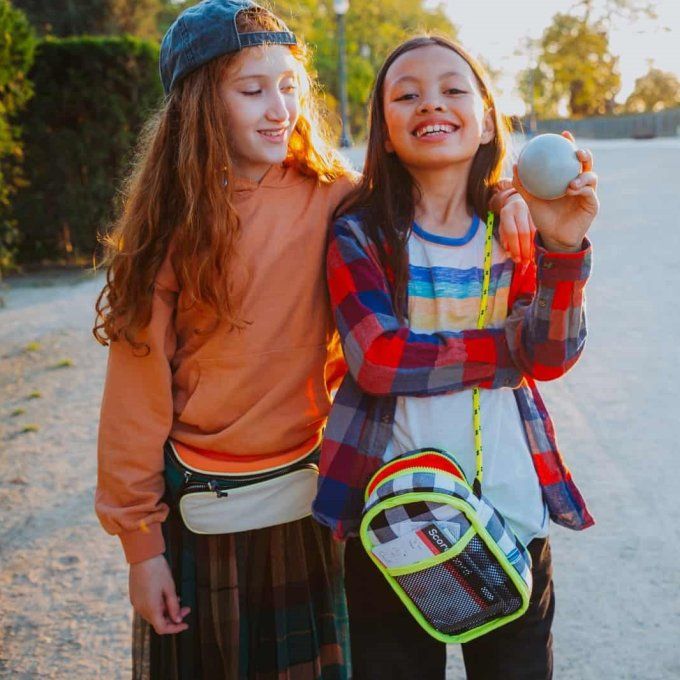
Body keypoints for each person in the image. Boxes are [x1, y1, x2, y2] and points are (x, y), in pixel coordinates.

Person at [312, 35, 599, 680]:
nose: (429, 104)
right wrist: (507, 351)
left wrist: (563, 249)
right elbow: (380, 359)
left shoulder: (517, 231)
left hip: (510, 518)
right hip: (392, 529)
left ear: (487, 117)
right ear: (383, 133)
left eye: (451, 89)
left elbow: (549, 355)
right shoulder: (362, 233)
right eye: (406, 95)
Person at [93, 2, 357, 677]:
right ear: (200, 106)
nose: (280, 108)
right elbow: (134, 400)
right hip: (203, 516)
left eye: (289, 84)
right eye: (252, 89)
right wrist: (141, 549)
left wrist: (506, 197)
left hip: (312, 504)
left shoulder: (334, 197)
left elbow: (434, 194)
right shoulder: (166, 230)